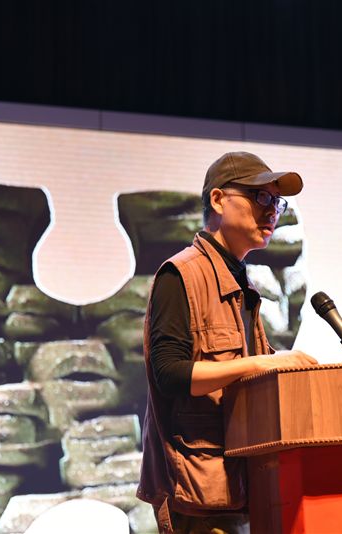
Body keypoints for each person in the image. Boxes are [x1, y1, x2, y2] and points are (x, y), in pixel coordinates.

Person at [136, 152, 318, 533]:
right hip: (197, 496)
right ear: (218, 200)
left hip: (243, 490)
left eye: (277, 202)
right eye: (260, 197)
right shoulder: (180, 275)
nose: (272, 211)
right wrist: (263, 363)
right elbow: (169, 374)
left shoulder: (240, 283)